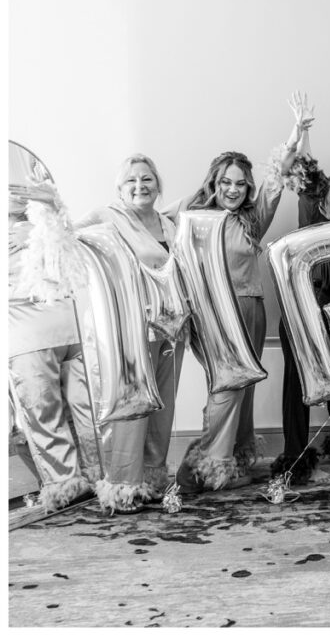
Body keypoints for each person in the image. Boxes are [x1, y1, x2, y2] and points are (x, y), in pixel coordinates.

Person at [171, 93, 311, 492]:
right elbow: (153, 230)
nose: (233, 189)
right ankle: (203, 466)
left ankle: (230, 461)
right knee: (226, 386)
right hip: (213, 315)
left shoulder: (252, 219)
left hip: (250, 309)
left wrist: (295, 134)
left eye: (240, 183)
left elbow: (276, 178)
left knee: (243, 387)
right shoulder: (192, 216)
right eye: (226, 182)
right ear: (214, 182)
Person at [76, 154, 185, 513]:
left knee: (162, 406)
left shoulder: (168, 223)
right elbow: (69, 237)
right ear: (120, 190)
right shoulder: (108, 217)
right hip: (130, 332)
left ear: (158, 184)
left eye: (147, 179)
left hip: (170, 329)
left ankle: (151, 478)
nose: (140, 186)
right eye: (131, 181)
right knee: (132, 408)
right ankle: (123, 486)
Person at [271, 117, 330, 485]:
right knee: (299, 388)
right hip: (303, 316)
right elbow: (310, 183)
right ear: (323, 208)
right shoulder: (315, 226)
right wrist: (303, 134)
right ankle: (295, 461)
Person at [8, 185, 100, 512]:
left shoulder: (49, 225)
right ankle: (67, 485)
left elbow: (78, 259)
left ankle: (95, 478)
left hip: (69, 326)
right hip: (25, 330)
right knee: (42, 408)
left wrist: (44, 230)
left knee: (86, 411)